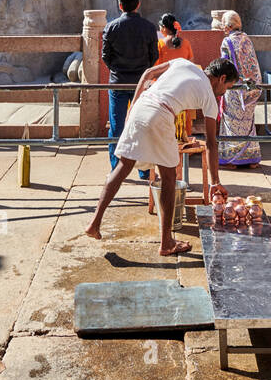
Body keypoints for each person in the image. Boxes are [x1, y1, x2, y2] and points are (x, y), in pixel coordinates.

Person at [85, 58, 238, 256]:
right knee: (169, 178)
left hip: (141, 107)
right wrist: (214, 183)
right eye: (227, 87)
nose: (223, 93)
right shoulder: (209, 97)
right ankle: (167, 243)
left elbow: (148, 73)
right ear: (221, 78)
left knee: (123, 167)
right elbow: (210, 143)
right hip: (161, 113)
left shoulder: (184, 63)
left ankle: (94, 223)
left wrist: (133, 106)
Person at [101, 0, 157, 176]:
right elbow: (154, 57)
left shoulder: (111, 27)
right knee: (142, 125)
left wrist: (117, 69)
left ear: (120, 5)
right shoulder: (149, 28)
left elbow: (105, 56)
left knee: (117, 127)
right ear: (138, 4)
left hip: (118, 82)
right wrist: (142, 72)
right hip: (141, 83)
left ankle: (116, 169)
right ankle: (144, 171)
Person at [217, 11, 262, 167]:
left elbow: (224, 64)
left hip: (235, 87)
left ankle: (233, 159)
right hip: (250, 86)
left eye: (223, 23)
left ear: (229, 26)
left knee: (231, 121)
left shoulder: (227, 42)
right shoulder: (246, 39)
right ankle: (251, 159)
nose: (222, 26)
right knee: (248, 121)